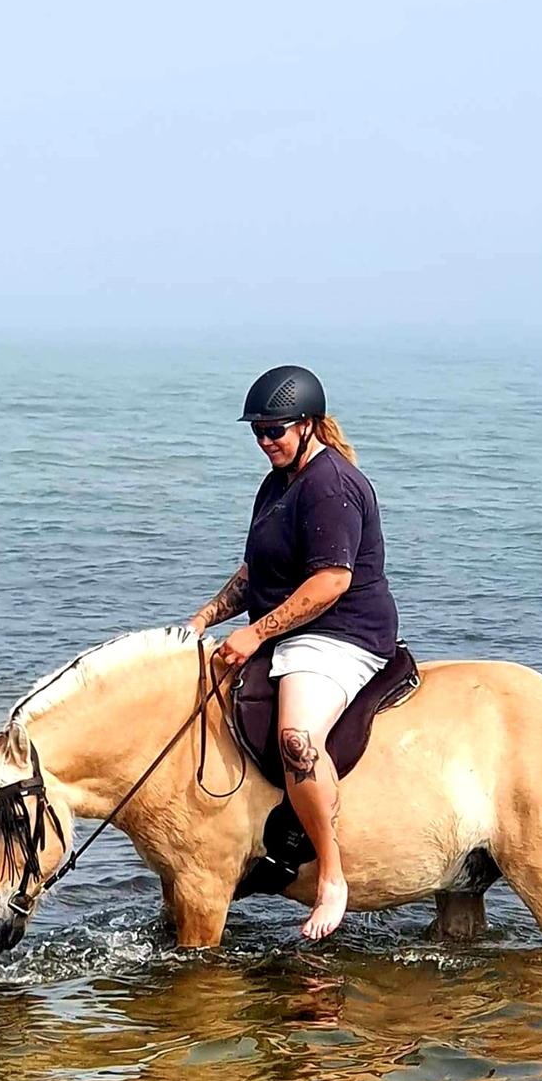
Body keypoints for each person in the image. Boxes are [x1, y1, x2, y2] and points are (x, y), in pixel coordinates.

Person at [187, 365, 399, 940]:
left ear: (307, 425)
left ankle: (331, 876)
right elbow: (256, 572)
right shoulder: (277, 483)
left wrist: (255, 634)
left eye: (274, 430)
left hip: (341, 633)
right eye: (257, 431)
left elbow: (331, 580)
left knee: (297, 739)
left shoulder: (331, 485)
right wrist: (204, 619)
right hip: (290, 630)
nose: (264, 440)